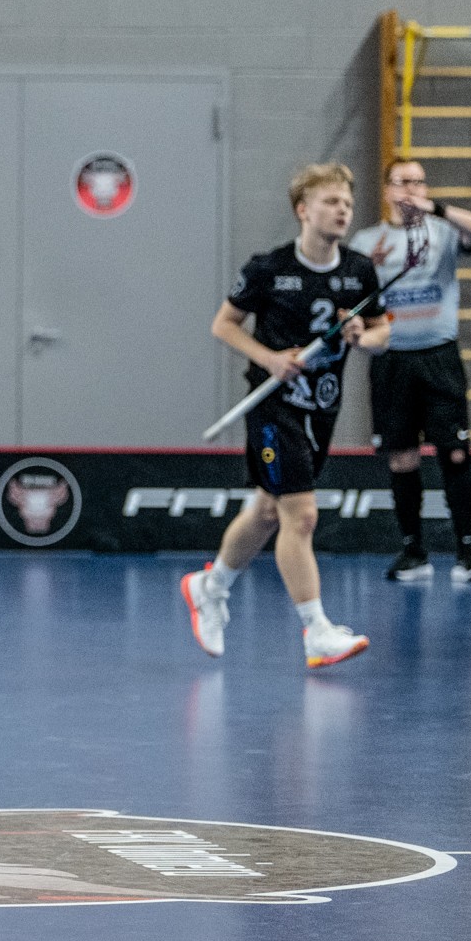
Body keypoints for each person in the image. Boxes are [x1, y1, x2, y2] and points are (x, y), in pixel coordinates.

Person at [182, 162, 388, 670]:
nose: (342, 210)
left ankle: (211, 587)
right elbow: (223, 325)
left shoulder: (359, 271)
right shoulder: (268, 269)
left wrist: (362, 337)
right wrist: (270, 358)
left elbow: (382, 331)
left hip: (322, 405)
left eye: (347, 203)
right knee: (302, 515)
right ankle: (316, 631)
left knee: (267, 512)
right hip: (273, 406)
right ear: (303, 210)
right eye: (331, 202)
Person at [350, 158, 471, 583]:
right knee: (402, 457)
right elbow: (352, 299)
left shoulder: (443, 231)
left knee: (454, 452)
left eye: (418, 181)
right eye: (402, 181)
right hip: (392, 360)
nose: (411, 188)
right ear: (388, 189)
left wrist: (437, 209)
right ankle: (413, 551)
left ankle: (467, 550)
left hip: (439, 357)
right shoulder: (366, 241)